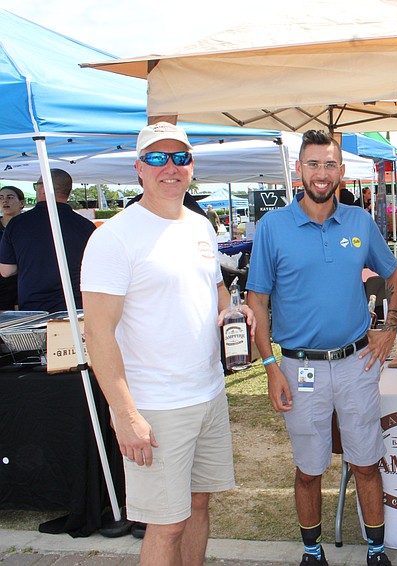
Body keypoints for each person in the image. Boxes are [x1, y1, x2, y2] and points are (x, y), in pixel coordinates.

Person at [81, 122, 253, 566]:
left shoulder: (200, 225)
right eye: (157, 158)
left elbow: (214, 288)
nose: (170, 167)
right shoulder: (113, 237)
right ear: (139, 168)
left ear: (192, 166)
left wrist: (233, 311)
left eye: (180, 158)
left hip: (209, 393)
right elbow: (97, 333)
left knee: (198, 506)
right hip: (155, 405)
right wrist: (126, 415)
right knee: (166, 524)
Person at [246, 130, 397, 566]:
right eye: (313, 164)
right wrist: (271, 367)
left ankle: (377, 551)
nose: (321, 173)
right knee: (309, 469)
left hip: (355, 364)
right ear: (299, 170)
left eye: (330, 164)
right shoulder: (272, 227)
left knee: (367, 463)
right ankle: (312, 554)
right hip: (298, 369)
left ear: (341, 171)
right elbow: (257, 300)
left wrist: (388, 329)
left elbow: (396, 276)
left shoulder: (359, 222)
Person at [0, 169, 95, 313]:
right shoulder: (86, 226)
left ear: (43, 188)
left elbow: (6, 270)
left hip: (34, 307)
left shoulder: (17, 224)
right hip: (75, 306)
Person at [0, 186, 25, 310]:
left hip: (24, 283)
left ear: (21, 203)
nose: (5, 201)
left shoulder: (29, 225)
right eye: (1, 198)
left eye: (10, 197)